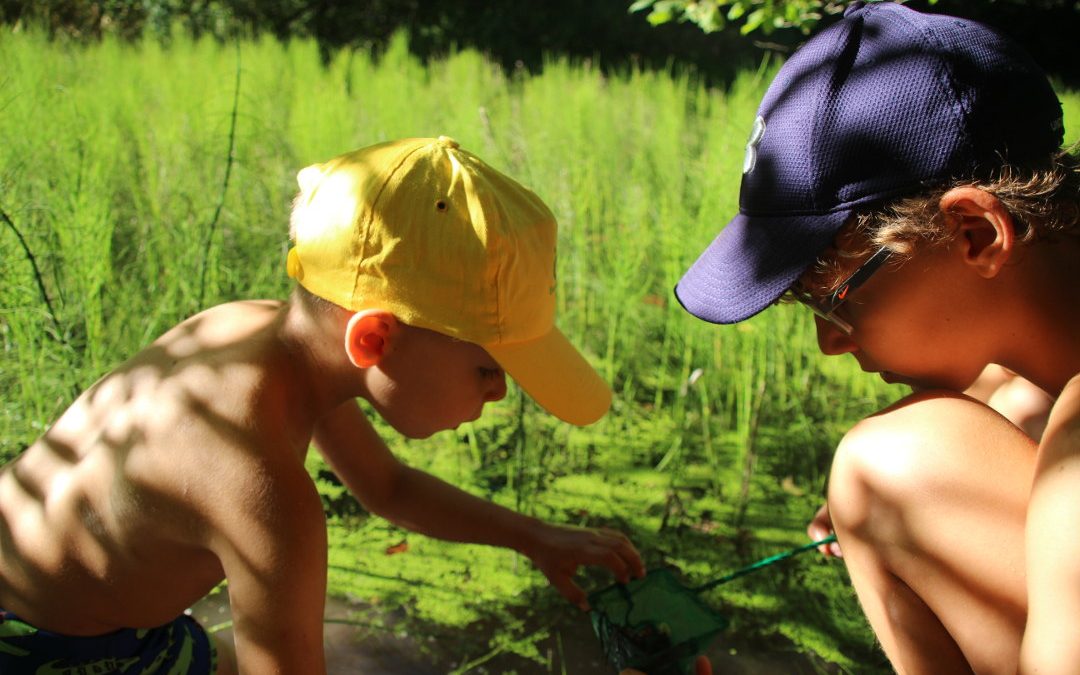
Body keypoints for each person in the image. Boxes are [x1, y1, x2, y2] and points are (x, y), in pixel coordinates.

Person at [0, 136, 645, 674]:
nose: (500, 390)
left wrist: (533, 538)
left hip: (71, 608)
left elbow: (387, 487)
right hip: (41, 654)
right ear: (372, 338)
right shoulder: (265, 494)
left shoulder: (254, 338)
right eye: (487, 366)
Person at [675, 2, 1078, 673]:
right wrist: (922, 504)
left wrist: (890, 478)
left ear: (974, 232)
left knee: (887, 462)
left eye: (833, 301)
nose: (829, 343)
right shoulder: (1034, 389)